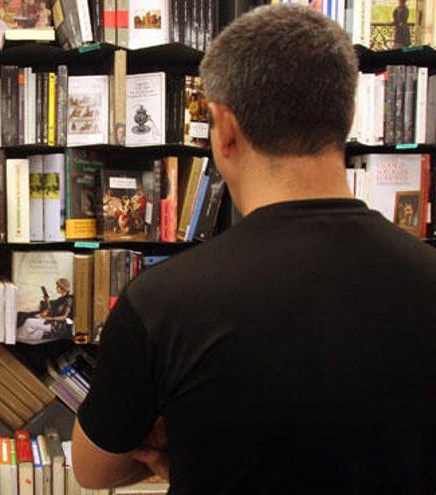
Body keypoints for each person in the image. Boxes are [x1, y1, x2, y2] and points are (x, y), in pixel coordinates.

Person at [71, 5, 436, 494]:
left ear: (224, 129)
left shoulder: (160, 302)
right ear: (348, 116)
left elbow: (95, 470)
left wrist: (190, 444)